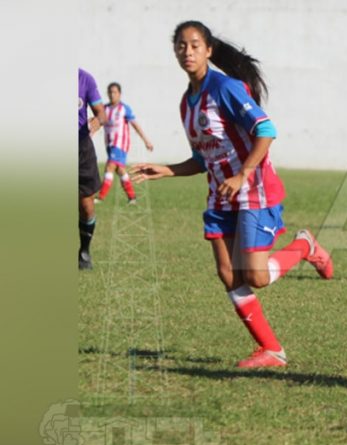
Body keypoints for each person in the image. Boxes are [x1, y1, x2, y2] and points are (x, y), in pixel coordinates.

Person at [130, 21, 334, 368]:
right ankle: (272, 350)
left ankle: (304, 246)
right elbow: (203, 157)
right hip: (220, 195)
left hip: (253, 190)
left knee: (255, 276)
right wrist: (168, 169)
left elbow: (266, 130)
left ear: (208, 50)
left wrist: (243, 173)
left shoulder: (226, 88)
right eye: (181, 46)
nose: (187, 51)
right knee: (228, 274)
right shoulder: (187, 104)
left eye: (195, 45)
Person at [97, 82, 154, 204]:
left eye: (115, 92)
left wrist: (146, 140)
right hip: (109, 145)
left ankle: (100, 197)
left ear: (119, 94)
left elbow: (135, 125)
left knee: (110, 166)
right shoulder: (105, 109)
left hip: (120, 145)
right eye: (110, 92)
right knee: (120, 170)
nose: (112, 95)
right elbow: (97, 123)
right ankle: (132, 198)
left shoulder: (124, 109)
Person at [79, 68, 107, 270]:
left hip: (81, 148)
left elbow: (102, 113)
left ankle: (84, 251)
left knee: (86, 206)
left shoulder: (84, 78)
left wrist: (98, 121)